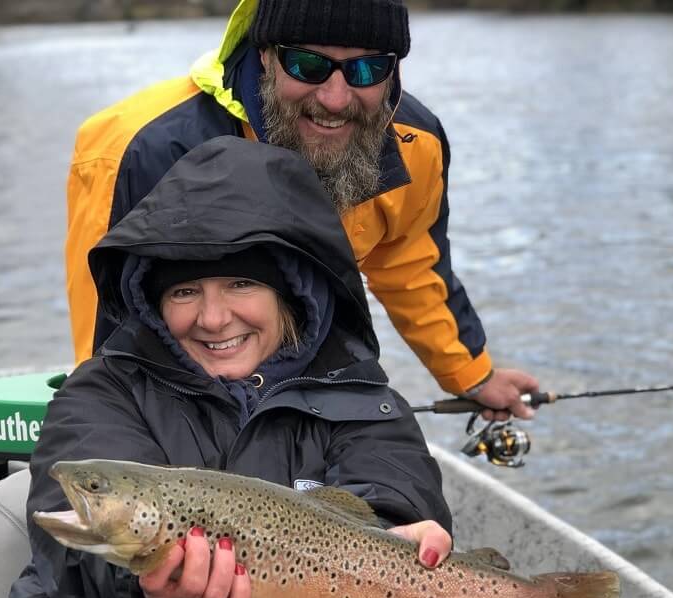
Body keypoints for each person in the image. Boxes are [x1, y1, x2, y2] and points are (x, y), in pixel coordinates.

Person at [0, 137, 508, 598]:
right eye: (183, 291)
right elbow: (77, 561)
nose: (212, 318)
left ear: (291, 291)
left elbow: (395, 490)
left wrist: (400, 543)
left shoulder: (366, 400)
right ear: (153, 301)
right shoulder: (101, 391)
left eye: (240, 283)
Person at [63, 0, 539, 421]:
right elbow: (111, 341)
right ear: (266, 55)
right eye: (308, 65)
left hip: (308, 383)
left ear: (393, 70)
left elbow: (410, 264)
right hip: (179, 393)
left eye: (366, 70)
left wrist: (470, 375)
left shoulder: (420, 143)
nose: (334, 99)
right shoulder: (136, 149)